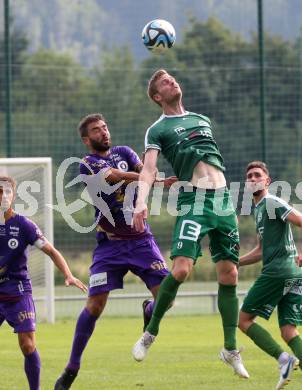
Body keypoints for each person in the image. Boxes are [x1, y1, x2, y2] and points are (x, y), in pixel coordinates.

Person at [131, 69, 249, 378]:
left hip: (223, 201)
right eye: (164, 82)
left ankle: (230, 349)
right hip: (193, 201)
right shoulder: (157, 129)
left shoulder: (202, 119)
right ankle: (151, 332)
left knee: (229, 274)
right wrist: (141, 201)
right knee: (182, 269)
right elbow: (148, 170)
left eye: (172, 78)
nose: (172, 81)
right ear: (157, 97)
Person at [55, 113, 176, 389]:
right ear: (87, 139)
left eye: (105, 127)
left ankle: (150, 310)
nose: (104, 132)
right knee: (95, 306)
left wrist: (151, 175)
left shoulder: (124, 152)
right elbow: (115, 176)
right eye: (97, 130)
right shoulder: (87, 164)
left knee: (167, 300)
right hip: (109, 246)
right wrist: (151, 179)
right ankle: (71, 368)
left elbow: (145, 170)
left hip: (141, 241)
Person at [0, 176, 87, 390]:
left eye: (7, 192)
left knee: (28, 345)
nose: (3, 196)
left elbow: (51, 251)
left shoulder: (23, 225)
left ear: (14, 196)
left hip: (18, 293)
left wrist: (68, 274)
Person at [239, 161, 302, 390]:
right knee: (288, 331)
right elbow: (260, 250)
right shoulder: (258, 210)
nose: (253, 179)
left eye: (257, 175)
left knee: (244, 320)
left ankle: (283, 360)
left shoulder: (272, 202)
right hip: (293, 273)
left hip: (278, 271)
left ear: (267, 181)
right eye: (249, 176)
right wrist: (236, 262)